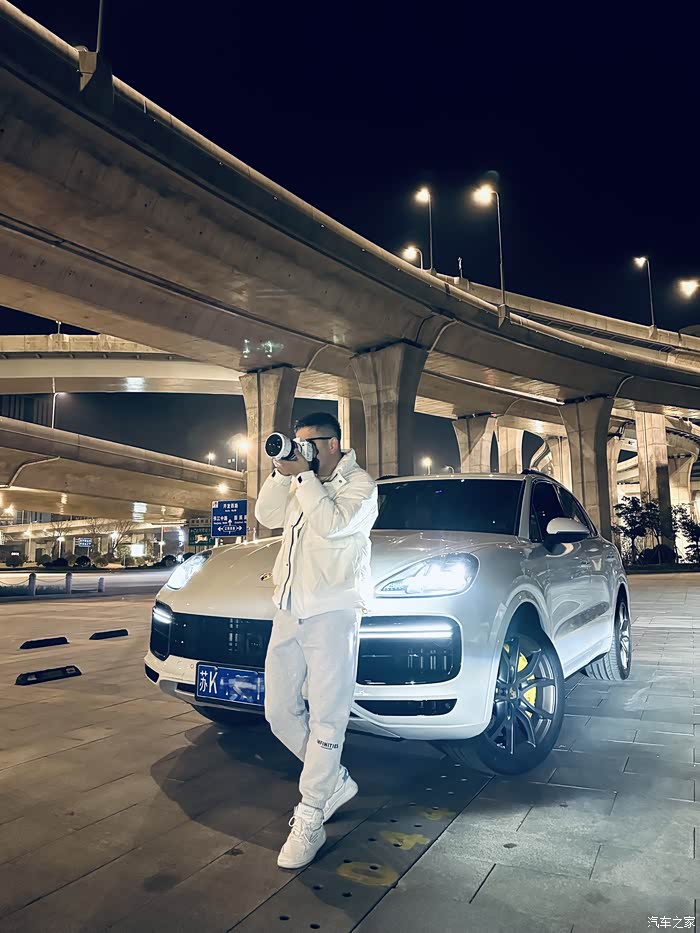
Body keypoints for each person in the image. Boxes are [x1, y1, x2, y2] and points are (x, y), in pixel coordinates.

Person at [255, 412, 378, 869]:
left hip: (333, 610)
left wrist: (304, 476)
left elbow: (331, 524)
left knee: (328, 716)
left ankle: (310, 814)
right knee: (278, 711)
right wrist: (280, 472)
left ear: (332, 444)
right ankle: (334, 781)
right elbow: (266, 516)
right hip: (289, 607)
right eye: (297, 443)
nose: (302, 450)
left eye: (308, 444)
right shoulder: (299, 482)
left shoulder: (360, 486)